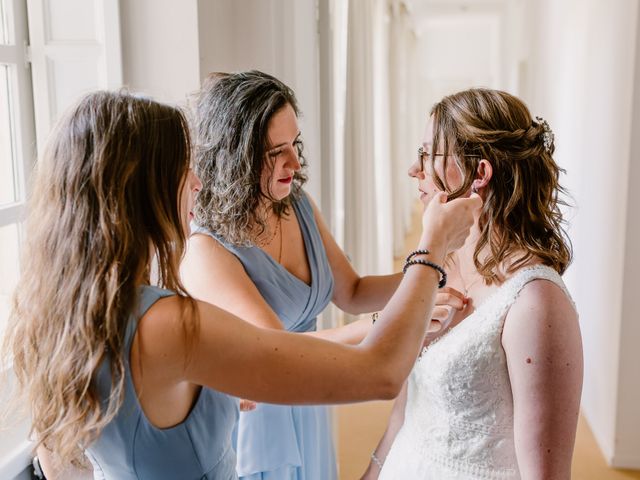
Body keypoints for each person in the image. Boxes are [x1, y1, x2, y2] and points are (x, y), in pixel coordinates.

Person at [1, 90, 480, 480]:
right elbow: (380, 374)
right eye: (180, 168)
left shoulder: (60, 318)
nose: (195, 182)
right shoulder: (170, 323)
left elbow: (61, 467)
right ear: (139, 189)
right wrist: (432, 247)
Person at [181, 70, 467, 480]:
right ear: (235, 155)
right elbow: (276, 348)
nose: (295, 164)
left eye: (295, 144)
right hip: (261, 417)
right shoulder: (205, 250)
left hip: (310, 401)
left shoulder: (296, 203)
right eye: (275, 151)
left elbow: (352, 290)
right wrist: (390, 321)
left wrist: (438, 273)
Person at [361, 88, 583, 480]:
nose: (415, 169)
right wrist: (372, 472)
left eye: (429, 154)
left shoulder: (535, 302)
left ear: (479, 173)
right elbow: (406, 409)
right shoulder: (440, 269)